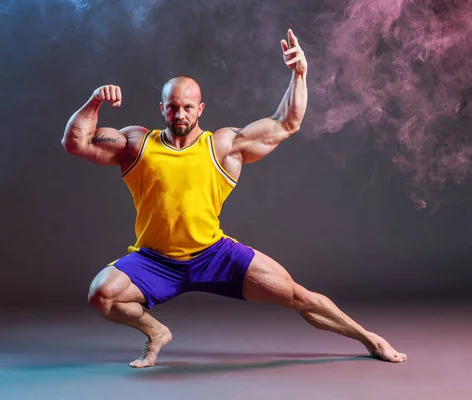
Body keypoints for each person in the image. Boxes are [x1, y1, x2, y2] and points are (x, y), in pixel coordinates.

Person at [62, 29, 406, 368]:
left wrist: (299, 74)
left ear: (200, 109)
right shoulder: (137, 144)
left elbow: (287, 123)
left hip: (214, 255)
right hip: (155, 260)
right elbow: (76, 142)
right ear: (162, 108)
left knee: (298, 295)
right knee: (101, 294)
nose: (179, 115)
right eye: (171, 108)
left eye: (186, 107)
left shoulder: (223, 146)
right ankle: (155, 332)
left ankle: (369, 338)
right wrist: (94, 102)